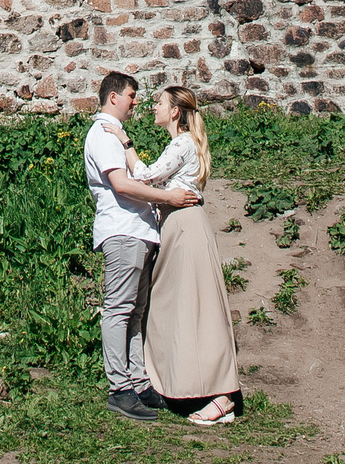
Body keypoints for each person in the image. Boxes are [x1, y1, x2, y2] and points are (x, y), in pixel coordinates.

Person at [85, 71, 195, 423]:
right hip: (123, 232)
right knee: (119, 309)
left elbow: (136, 175)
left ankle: (139, 381)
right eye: (132, 95)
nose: (136, 102)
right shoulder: (103, 134)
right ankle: (120, 388)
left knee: (135, 312)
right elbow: (121, 185)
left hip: (138, 232)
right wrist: (168, 198)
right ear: (113, 97)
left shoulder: (116, 137)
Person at [141, 85, 241, 425]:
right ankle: (178, 384)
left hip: (185, 229)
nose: (153, 107)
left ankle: (222, 395)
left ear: (174, 112)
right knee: (177, 306)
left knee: (197, 307)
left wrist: (123, 145)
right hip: (180, 228)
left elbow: (146, 177)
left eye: (159, 102)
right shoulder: (184, 143)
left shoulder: (181, 143)